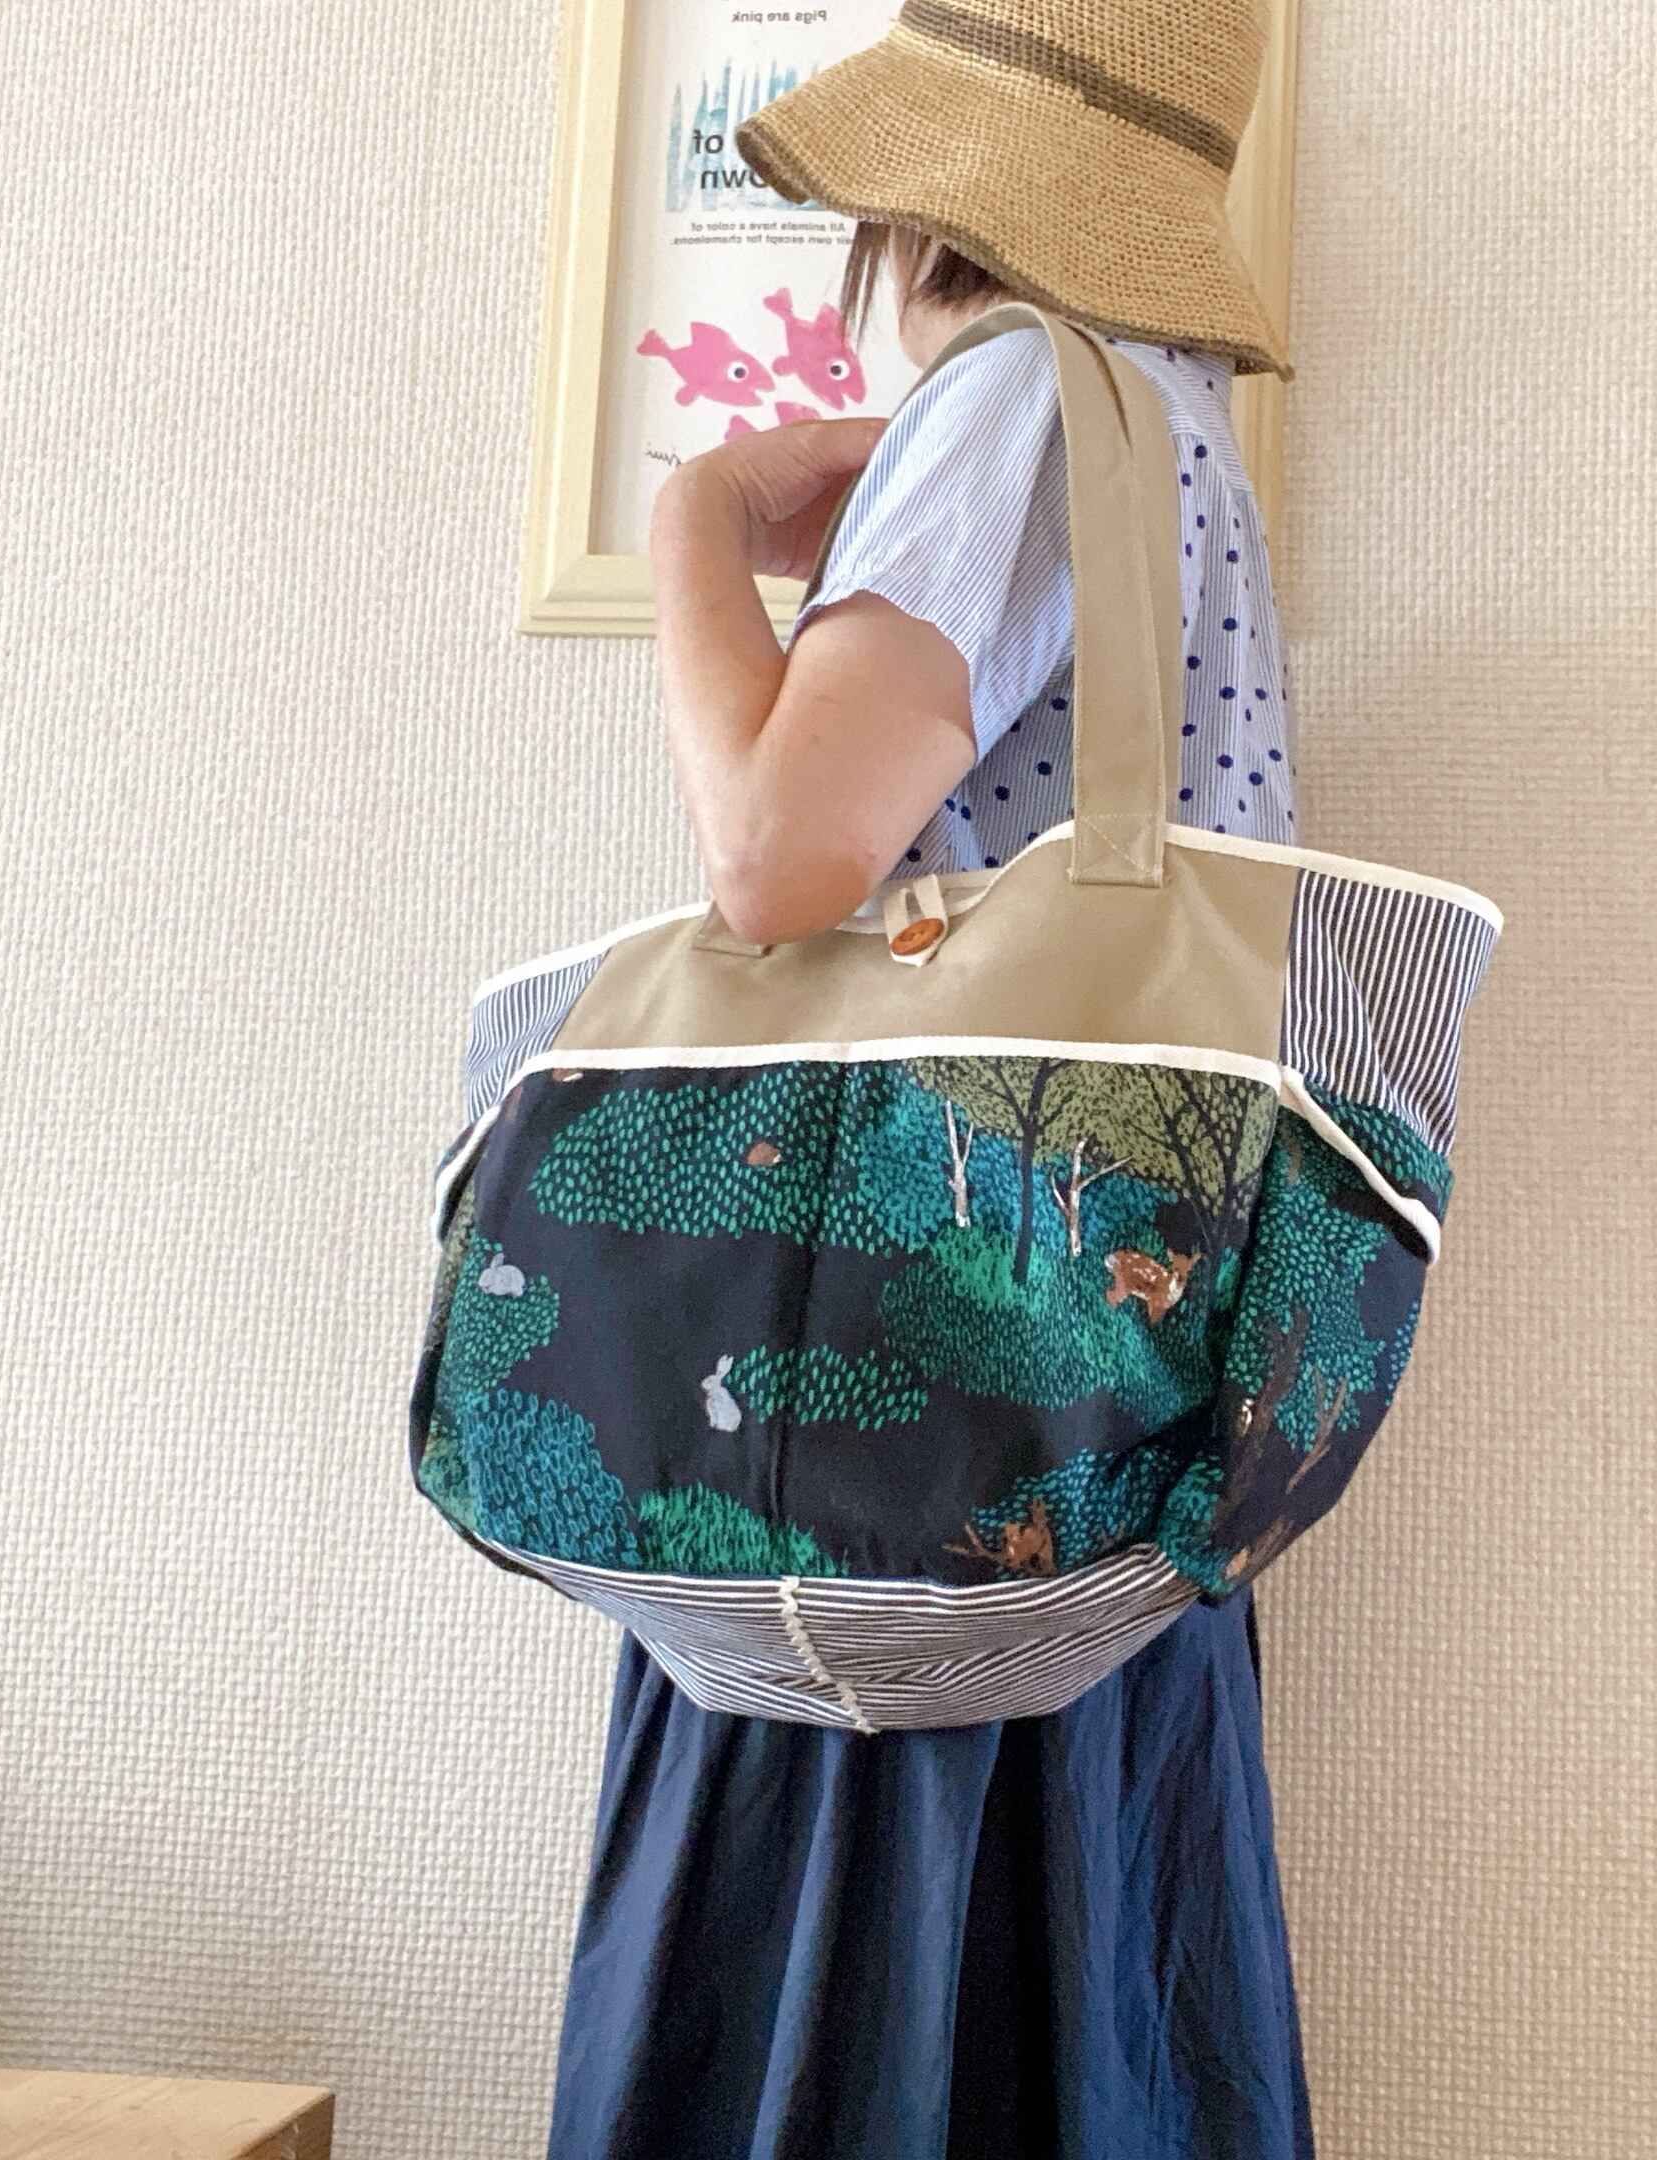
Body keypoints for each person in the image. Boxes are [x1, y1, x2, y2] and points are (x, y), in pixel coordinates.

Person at [544, 4, 1314, 2154]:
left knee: (832, 2029)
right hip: (1103, 1450)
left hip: (891, 1461)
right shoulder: (1175, 433)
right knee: (1079, 2031)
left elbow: (781, 861)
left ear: (927, 192)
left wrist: (699, 522)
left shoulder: (1014, 399)